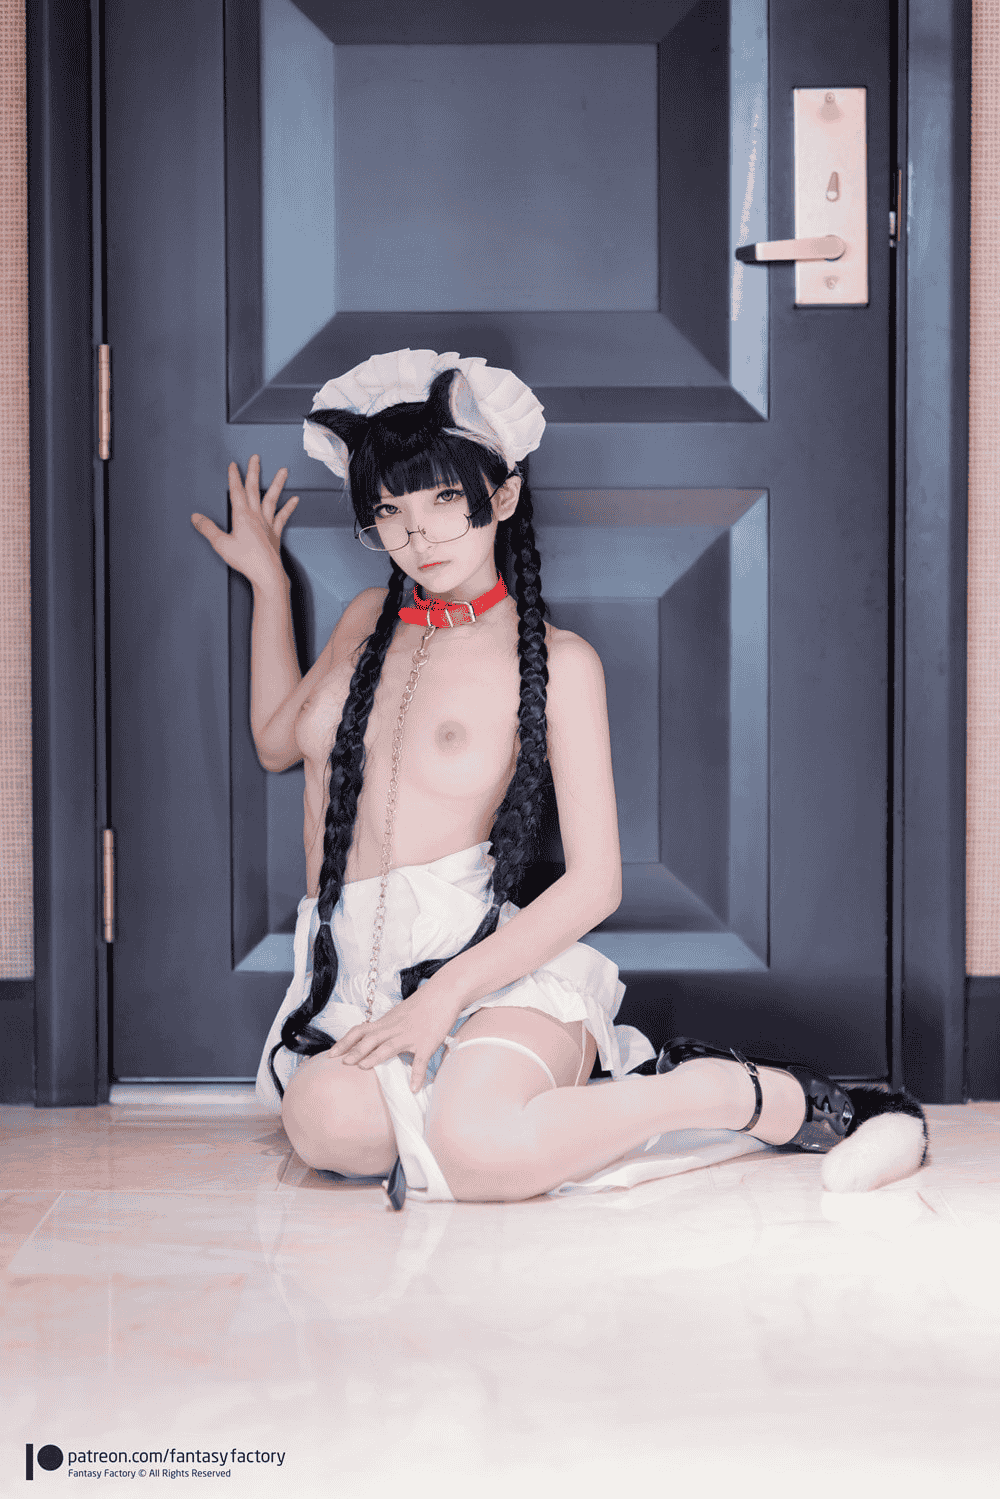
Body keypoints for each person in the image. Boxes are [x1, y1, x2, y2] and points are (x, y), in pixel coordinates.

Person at [191, 348, 928, 1208]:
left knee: (472, 1148)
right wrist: (268, 582)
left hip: (480, 964)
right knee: (327, 1123)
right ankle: (508, 1107)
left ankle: (731, 1091)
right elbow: (278, 742)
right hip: (353, 973)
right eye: (389, 509)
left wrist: (445, 998)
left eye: (443, 498)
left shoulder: (558, 663)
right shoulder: (365, 620)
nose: (418, 534)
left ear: (501, 497)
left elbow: (595, 882)